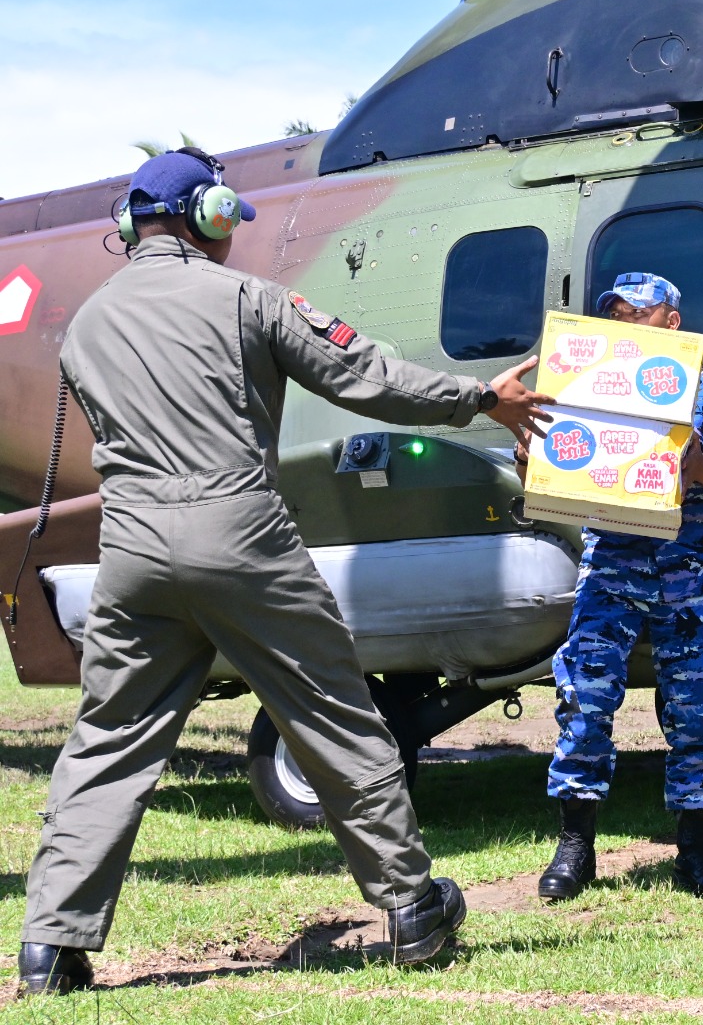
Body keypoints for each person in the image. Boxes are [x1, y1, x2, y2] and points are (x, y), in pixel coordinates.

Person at [17, 148, 557, 996]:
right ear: (209, 215)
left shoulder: (88, 323)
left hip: (130, 551)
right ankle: (412, 906)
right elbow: (366, 377)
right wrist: (481, 398)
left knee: (110, 741)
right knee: (332, 713)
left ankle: (51, 946)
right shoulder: (249, 298)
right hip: (239, 536)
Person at [534, 272, 703, 902]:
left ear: (672, 322)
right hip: (611, 567)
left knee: (699, 709)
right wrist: (533, 457)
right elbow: (552, 462)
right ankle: (575, 850)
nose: (625, 320)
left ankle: (696, 854)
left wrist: (698, 465)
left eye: (639, 311)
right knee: (585, 700)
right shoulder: (584, 385)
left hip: (687, 574)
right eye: (616, 312)